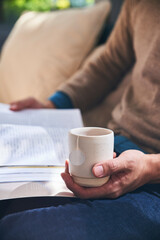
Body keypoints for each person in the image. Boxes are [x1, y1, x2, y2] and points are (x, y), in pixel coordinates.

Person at [0, 0, 160, 239]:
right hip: (114, 146)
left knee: (24, 230)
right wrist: (51, 105)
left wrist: (150, 167)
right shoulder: (139, 4)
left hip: (153, 181)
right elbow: (110, 63)